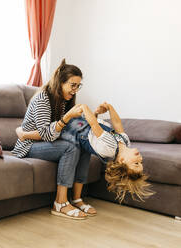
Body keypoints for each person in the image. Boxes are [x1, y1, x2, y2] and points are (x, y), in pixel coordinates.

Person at [16, 102, 154, 203]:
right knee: (55, 130)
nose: (139, 158)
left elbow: (94, 126)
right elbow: (118, 126)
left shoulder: (110, 148)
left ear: (122, 161)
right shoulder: (125, 142)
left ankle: (24, 134)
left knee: (55, 131)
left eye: (136, 163)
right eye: (140, 162)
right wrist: (110, 108)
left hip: (76, 131)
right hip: (84, 125)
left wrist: (84, 108)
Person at [11, 58, 96, 220]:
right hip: (29, 145)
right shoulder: (43, 98)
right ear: (61, 82)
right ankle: (60, 202)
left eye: (78, 86)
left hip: (47, 142)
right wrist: (67, 118)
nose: (75, 90)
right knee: (70, 147)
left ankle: (77, 199)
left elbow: (65, 131)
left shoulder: (65, 100)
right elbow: (47, 134)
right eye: (73, 85)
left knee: (83, 144)